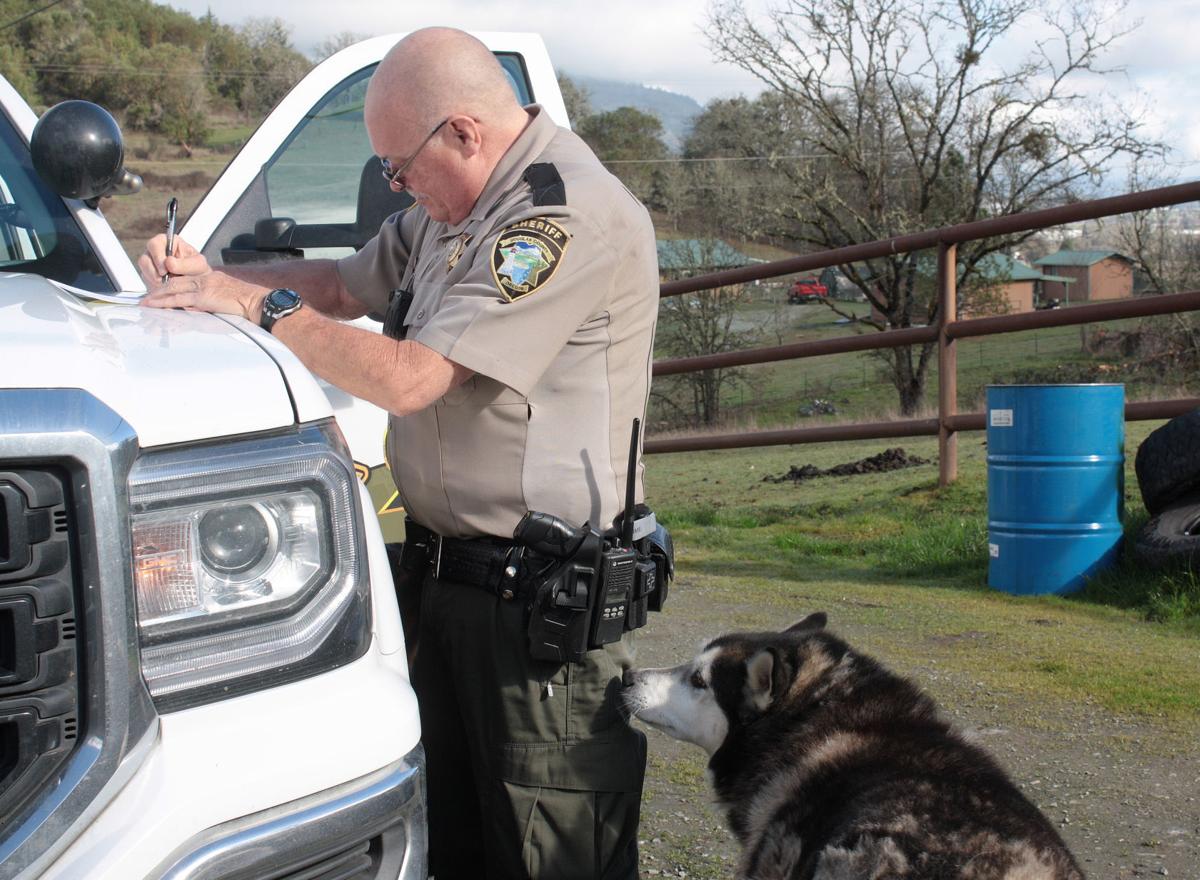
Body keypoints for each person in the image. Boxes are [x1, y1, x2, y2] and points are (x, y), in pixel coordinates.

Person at [138, 27, 659, 880]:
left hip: (540, 611)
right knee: (450, 839)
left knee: (552, 849)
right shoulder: (454, 209)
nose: (397, 187)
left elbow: (412, 378)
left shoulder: (560, 216)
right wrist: (205, 281)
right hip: (450, 582)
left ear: (463, 132)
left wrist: (258, 307)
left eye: (399, 167)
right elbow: (341, 287)